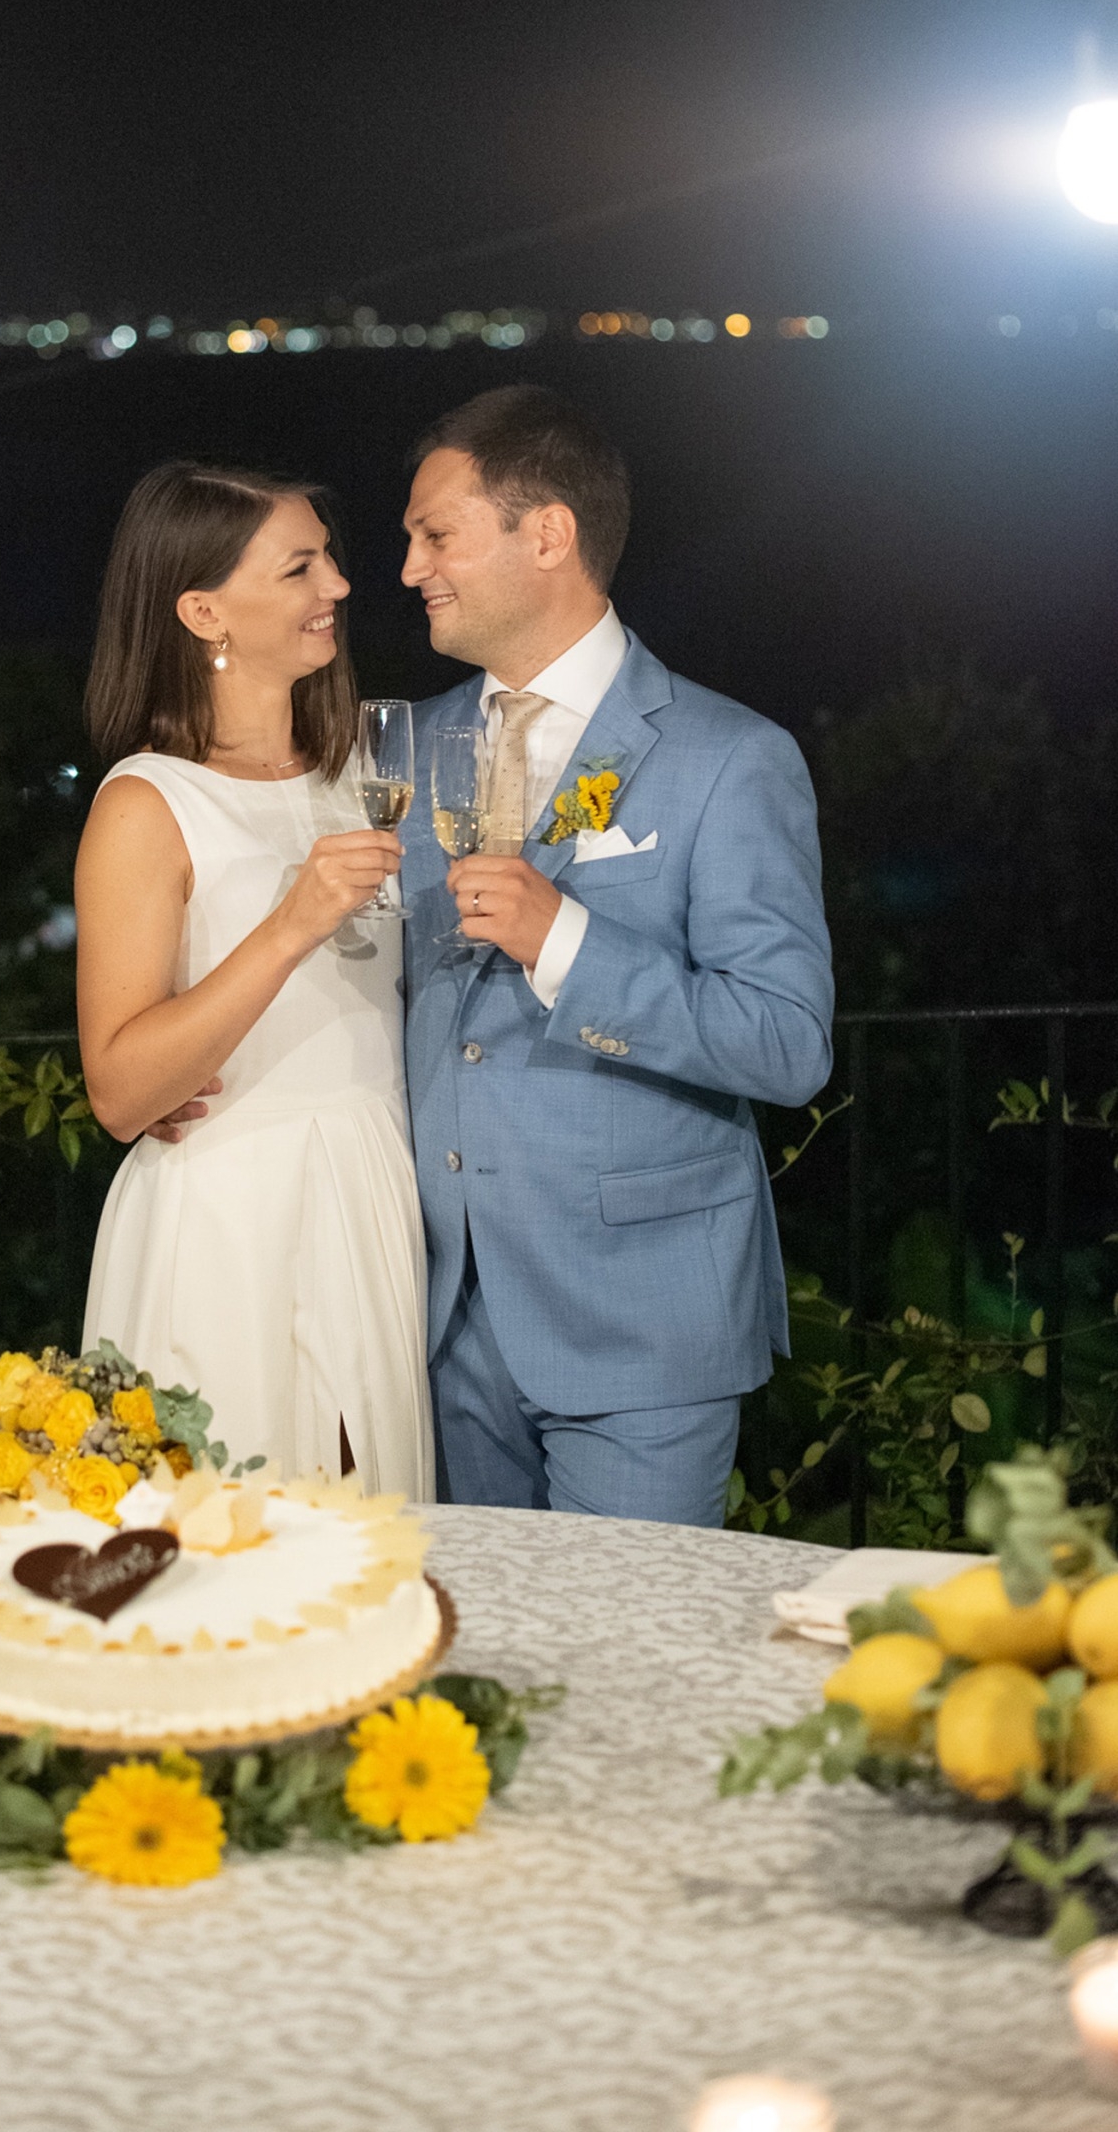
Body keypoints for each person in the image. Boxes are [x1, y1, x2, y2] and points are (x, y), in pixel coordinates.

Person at [397, 384, 834, 1527]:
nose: (407, 568)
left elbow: (786, 1044)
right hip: (438, 1321)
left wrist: (565, 942)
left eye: (433, 534)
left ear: (544, 533)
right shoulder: (404, 746)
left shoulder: (728, 757)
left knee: (629, 1679)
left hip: (641, 1328)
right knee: (474, 1672)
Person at [76, 460, 435, 1498]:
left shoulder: (363, 778)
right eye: (298, 567)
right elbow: (119, 1088)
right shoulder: (147, 803)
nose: (336, 587)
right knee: (228, 1550)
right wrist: (289, 924)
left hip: (368, 1189)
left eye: (326, 559)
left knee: (372, 1548)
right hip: (229, 1220)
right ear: (201, 610)